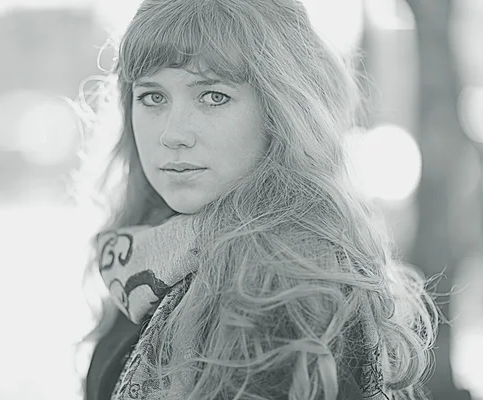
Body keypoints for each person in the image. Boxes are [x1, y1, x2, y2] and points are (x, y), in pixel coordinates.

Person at [72, 0, 440, 399]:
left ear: (280, 110)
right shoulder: (147, 255)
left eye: (213, 96)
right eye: (153, 97)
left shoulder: (287, 290)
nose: (172, 133)